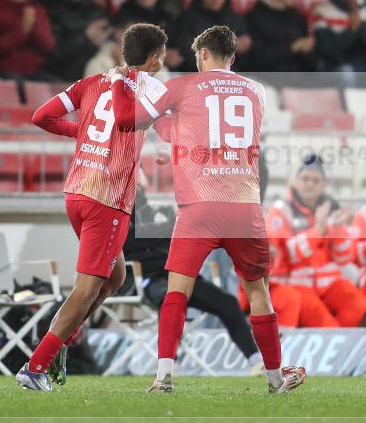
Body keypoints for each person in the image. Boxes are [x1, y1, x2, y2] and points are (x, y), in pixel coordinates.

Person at [107, 25, 307, 394]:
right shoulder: (256, 90)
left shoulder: (181, 87)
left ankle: (163, 376)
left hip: (199, 207)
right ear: (233, 56)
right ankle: (275, 378)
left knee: (177, 292)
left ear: (202, 54)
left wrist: (123, 83)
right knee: (258, 291)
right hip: (244, 207)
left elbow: (127, 120)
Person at [16, 23, 169, 391]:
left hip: (77, 192)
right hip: (108, 199)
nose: (163, 63)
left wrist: (83, 131)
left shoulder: (90, 82)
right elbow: (130, 120)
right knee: (86, 288)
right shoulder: (151, 88)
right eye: (162, 57)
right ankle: (36, 367)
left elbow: (41, 116)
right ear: (153, 59)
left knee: (114, 278)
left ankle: (62, 342)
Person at [123, 189, 264, 373]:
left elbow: (171, 237)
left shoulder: (151, 211)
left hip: (176, 273)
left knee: (227, 302)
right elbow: (127, 242)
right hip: (144, 278)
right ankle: (169, 364)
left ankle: (256, 361)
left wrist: (153, 234)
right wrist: (161, 230)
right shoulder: (119, 209)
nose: (139, 183)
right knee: (169, 300)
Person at [266, 156, 366, 328]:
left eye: (316, 181)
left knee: (357, 303)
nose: (310, 184)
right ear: (296, 182)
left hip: (326, 285)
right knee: (326, 324)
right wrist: (319, 229)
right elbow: (288, 255)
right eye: (305, 179)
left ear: (323, 186)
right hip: (294, 285)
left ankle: (332, 339)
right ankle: (333, 340)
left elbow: (344, 258)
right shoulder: (280, 211)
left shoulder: (330, 209)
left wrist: (337, 229)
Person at [173, 0, 250, 72]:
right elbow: (187, 55)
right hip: (197, 76)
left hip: (233, 75)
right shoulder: (186, 19)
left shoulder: (237, 19)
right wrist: (229, 47)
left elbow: (247, 60)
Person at [46, 0, 109, 81]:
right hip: (64, 74)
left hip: (95, 74)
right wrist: (85, 35)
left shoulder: (99, 12)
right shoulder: (56, 11)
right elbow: (56, 52)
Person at [245, 0, 315, 74]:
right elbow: (258, 59)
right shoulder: (253, 18)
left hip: (298, 77)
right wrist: (292, 48)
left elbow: (308, 60)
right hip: (266, 78)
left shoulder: (296, 16)